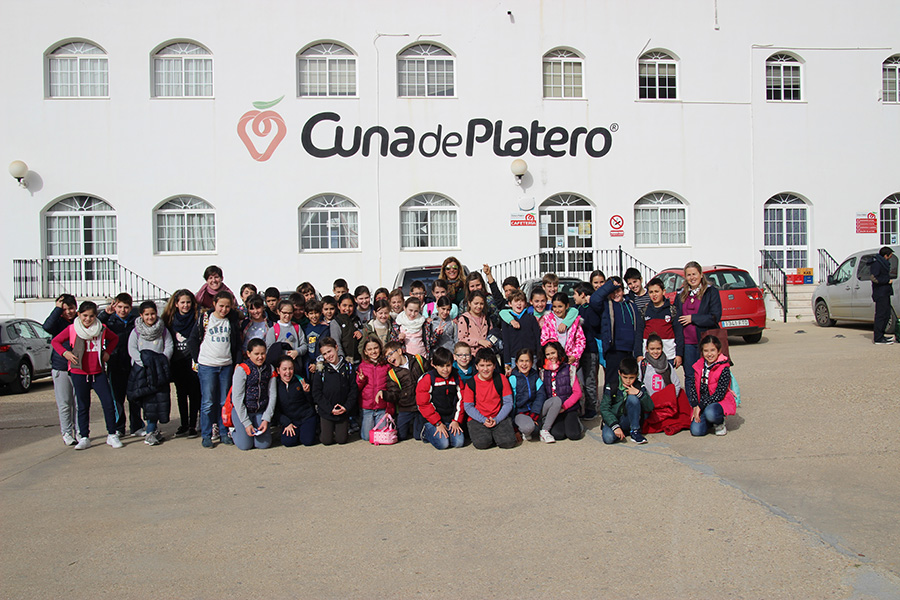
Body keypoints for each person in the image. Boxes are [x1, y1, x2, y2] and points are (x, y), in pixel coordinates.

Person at [51, 301, 121, 450]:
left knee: (108, 403)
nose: (88, 319)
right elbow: (55, 341)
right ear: (79, 315)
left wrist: (107, 352)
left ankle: (112, 434)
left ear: (95, 316)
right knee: (82, 406)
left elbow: (114, 338)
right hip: (79, 373)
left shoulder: (101, 328)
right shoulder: (72, 329)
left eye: (91, 316)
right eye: (85, 316)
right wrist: (65, 353)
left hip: (98, 372)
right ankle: (84, 436)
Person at [188, 290, 242, 448]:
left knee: (223, 401)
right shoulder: (205, 319)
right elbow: (192, 340)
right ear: (214, 304)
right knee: (208, 402)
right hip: (207, 366)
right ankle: (206, 435)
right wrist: (198, 359)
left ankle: (224, 432)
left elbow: (237, 343)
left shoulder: (232, 320)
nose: (224, 309)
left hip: (226, 365)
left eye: (227, 306)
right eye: (221, 306)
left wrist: (237, 362)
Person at [126, 301, 173, 446]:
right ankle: (148, 430)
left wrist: (161, 361)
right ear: (141, 315)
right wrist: (143, 363)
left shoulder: (163, 330)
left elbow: (169, 346)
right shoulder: (136, 331)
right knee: (146, 401)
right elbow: (132, 349)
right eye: (147, 314)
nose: (150, 317)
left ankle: (152, 430)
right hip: (142, 371)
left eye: (152, 314)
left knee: (157, 401)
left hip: (158, 371)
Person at [674, 262, 722, 392]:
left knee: (706, 377)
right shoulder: (681, 295)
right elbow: (676, 320)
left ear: (701, 275)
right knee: (690, 376)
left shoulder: (711, 292)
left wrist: (693, 318)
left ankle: (706, 407)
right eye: (688, 275)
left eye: (694, 274)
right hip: (687, 343)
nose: (692, 277)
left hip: (705, 342)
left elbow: (715, 317)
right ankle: (692, 408)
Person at [161, 289, 201, 437]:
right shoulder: (169, 319)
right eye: (182, 302)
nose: (186, 305)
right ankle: (183, 424)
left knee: (194, 393)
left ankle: (192, 425)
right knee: (181, 393)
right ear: (176, 304)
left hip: (192, 360)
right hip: (177, 361)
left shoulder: (197, 318)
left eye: (188, 302)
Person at [592, 277, 642, 389]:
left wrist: (638, 352)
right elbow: (594, 299)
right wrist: (610, 285)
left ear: (623, 291)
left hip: (630, 350)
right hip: (614, 349)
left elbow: (638, 329)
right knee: (612, 383)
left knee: (629, 383)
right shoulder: (606, 305)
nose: (615, 294)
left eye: (618, 291)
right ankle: (610, 405)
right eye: (612, 292)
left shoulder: (631, 305)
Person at [462, 348, 517, 449]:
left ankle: (496, 434)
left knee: (508, 443)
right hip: (478, 418)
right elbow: (468, 406)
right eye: (482, 365)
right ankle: (491, 435)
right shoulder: (471, 383)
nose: (485, 369)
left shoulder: (501, 379)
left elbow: (508, 402)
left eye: (489, 365)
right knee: (482, 443)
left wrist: (497, 419)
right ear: (476, 366)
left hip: (498, 416)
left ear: (494, 366)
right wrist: (483, 420)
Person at [43, 293, 78, 446]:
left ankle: (80, 431)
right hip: (61, 367)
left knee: (79, 403)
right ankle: (67, 433)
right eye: (65, 309)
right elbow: (47, 327)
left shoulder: (80, 321)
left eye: (71, 308)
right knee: (65, 403)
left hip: (79, 368)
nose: (69, 312)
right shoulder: (57, 322)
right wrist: (57, 310)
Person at [230, 339, 277, 451]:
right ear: (248, 354)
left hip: (260, 411)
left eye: (263, 353)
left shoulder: (270, 369)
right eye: (256, 354)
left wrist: (266, 418)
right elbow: (237, 398)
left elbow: (273, 395)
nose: (260, 357)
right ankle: (233, 431)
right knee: (245, 445)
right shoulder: (242, 369)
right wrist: (246, 423)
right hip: (243, 411)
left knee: (263, 444)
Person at [415, 347, 466, 450]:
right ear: (434, 365)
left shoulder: (456, 378)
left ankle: (447, 432)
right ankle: (426, 432)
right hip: (432, 420)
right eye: (441, 366)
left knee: (459, 442)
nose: (445, 369)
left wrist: (456, 421)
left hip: (450, 419)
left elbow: (462, 400)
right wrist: (437, 423)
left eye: (448, 365)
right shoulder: (428, 379)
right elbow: (423, 403)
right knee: (443, 444)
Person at [311, 337, 357, 445]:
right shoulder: (321, 370)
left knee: (342, 440)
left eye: (329, 351)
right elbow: (316, 393)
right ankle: (323, 430)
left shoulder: (347, 367)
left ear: (336, 348)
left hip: (342, 410)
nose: (328, 356)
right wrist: (329, 409)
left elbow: (353, 389)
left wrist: (346, 407)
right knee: (326, 441)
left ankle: (344, 428)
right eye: (325, 354)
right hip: (327, 411)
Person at [687, 335, 737, 436]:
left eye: (712, 350)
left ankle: (719, 422)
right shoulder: (698, 366)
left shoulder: (724, 368)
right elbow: (692, 386)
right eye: (706, 351)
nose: (709, 354)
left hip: (717, 403)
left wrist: (701, 406)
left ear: (718, 351)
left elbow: (720, 393)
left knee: (711, 412)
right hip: (702, 404)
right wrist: (695, 405)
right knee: (696, 431)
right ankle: (709, 422)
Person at [599, 356, 653, 445]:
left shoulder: (639, 386)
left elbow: (650, 407)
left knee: (633, 398)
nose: (628, 381)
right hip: (614, 418)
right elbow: (604, 408)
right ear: (619, 373)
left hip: (629, 418)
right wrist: (615, 426)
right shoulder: (612, 386)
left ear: (637, 375)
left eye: (632, 378)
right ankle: (622, 430)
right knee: (608, 438)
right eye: (625, 377)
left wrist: (639, 394)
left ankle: (635, 431)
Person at [539, 341, 583, 441]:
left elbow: (577, 393)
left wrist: (564, 407)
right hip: (554, 410)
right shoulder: (543, 372)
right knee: (558, 435)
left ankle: (576, 421)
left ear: (558, 352)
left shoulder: (569, 369)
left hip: (568, 407)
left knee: (574, 435)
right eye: (548, 354)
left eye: (553, 353)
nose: (551, 356)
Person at [383, 340, 427, 441]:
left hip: (421, 406)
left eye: (390, 354)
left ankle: (418, 426)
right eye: (387, 357)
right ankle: (410, 426)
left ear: (399, 351)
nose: (389, 359)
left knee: (418, 436)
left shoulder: (418, 360)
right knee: (401, 436)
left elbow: (429, 374)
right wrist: (384, 394)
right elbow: (394, 393)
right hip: (405, 407)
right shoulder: (393, 373)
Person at [508, 348, 553, 443]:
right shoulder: (513, 378)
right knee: (529, 428)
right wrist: (514, 428)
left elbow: (541, 395)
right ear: (516, 363)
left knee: (555, 401)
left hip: (534, 411)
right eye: (521, 361)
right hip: (520, 413)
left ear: (532, 363)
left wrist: (534, 414)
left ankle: (544, 430)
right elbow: (511, 403)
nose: (524, 364)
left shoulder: (535, 376)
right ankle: (526, 429)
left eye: (527, 361)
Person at [273, 356, 317, 448]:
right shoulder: (275, 385)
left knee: (307, 441)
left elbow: (311, 402)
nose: (288, 372)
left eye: (290, 368)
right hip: (290, 420)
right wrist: (286, 422)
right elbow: (275, 409)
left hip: (306, 417)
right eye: (284, 369)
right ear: (278, 370)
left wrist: (307, 392)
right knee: (288, 442)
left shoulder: (301, 380)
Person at [640, 277, 684, 366]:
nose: (654, 295)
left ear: (663, 292)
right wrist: (638, 354)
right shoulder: (644, 311)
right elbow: (638, 334)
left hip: (668, 356)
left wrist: (679, 354)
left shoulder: (673, 310)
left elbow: (679, 334)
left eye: (657, 291)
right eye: (651, 292)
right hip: (649, 356)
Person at [573, 282, 601, 420]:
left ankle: (592, 408)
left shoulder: (589, 309)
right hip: (578, 351)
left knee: (590, 381)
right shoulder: (576, 308)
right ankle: (580, 407)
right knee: (578, 381)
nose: (573, 297)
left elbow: (595, 323)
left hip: (590, 350)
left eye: (575, 294)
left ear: (583, 294)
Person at [357, 337, 391, 442]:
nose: (373, 351)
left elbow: (390, 387)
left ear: (380, 349)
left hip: (382, 406)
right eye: (370, 349)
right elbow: (357, 387)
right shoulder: (362, 366)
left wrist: (389, 408)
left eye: (376, 348)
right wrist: (361, 380)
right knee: (367, 437)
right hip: (367, 407)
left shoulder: (386, 366)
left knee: (380, 435)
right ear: (365, 352)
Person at [539, 292, 586, 367]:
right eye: (554, 307)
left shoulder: (574, 321)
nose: (557, 310)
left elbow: (580, 340)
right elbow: (544, 340)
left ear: (567, 306)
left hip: (571, 361)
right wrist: (551, 355)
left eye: (560, 306)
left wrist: (575, 356)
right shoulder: (548, 320)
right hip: (553, 362)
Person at [500, 290, 541, 372]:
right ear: (510, 304)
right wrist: (507, 362)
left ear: (526, 304)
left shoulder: (531, 318)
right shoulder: (507, 321)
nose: (519, 304)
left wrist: (539, 358)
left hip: (531, 357)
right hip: (514, 357)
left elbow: (537, 339)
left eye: (521, 301)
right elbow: (506, 342)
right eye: (516, 301)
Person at [265, 299, 308, 370]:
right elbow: (270, 350)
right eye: (284, 313)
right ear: (278, 312)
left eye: (290, 313)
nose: (287, 315)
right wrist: (285, 353)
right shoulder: (273, 330)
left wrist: (297, 352)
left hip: (296, 367)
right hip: (280, 368)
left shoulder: (297, 327)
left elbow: (304, 345)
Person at [870, 246, 895, 344]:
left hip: (886, 292)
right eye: (890, 256)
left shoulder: (884, 263)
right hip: (880, 293)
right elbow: (874, 278)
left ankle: (882, 335)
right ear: (886, 255)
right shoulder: (877, 264)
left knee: (887, 314)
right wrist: (887, 281)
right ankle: (878, 338)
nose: (890, 258)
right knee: (881, 315)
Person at [329, 293, 362, 364]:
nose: (347, 309)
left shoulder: (356, 319)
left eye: (350, 306)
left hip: (358, 360)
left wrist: (360, 332)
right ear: (338, 306)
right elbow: (336, 342)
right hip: (345, 361)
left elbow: (363, 331)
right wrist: (342, 359)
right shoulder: (336, 322)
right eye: (344, 305)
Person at [304, 300, 330, 375]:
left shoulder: (324, 328)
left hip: (320, 362)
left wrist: (316, 363)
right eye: (311, 313)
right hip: (307, 363)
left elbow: (323, 346)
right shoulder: (305, 329)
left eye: (316, 313)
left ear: (320, 313)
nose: (314, 316)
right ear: (306, 314)